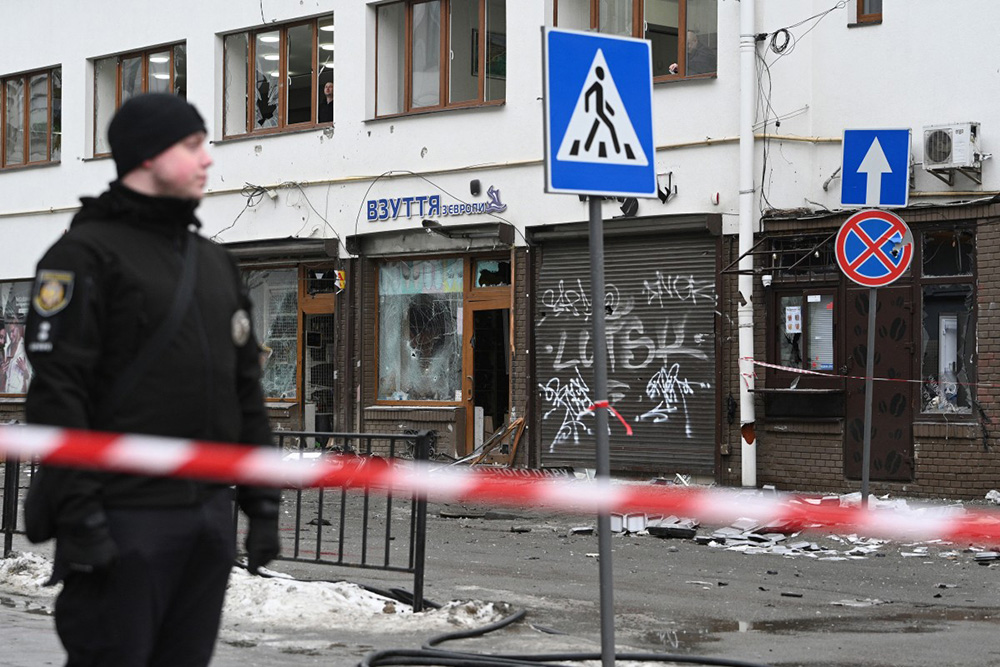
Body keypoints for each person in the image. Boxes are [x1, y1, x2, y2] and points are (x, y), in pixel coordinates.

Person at [23, 93, 281, 667]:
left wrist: (261, 505)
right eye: (192, 145)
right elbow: (58, 396)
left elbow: (245, 392)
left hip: (207, 520)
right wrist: (83, 518)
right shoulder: (83, 256)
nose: (208, 158)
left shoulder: (214, 262)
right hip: (123, 520)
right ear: (146, 156)